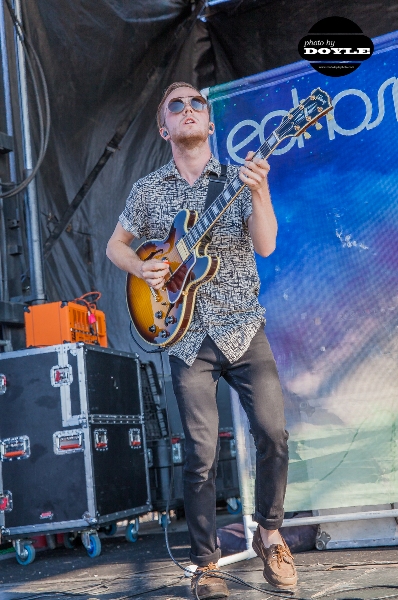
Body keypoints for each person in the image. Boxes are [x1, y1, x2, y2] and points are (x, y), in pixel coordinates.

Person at [106, 81, 297, 598]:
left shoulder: (235, 179)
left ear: (210, 124)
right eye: (177, 105)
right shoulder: (149, 191)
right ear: (164, 127)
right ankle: (206, 563)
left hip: (241, 324)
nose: (189, 109)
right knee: (200, 452)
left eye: (197, 104)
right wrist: (144, 267)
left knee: (274, 434)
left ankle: (271, 534)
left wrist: (260, 192)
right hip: (184, 333)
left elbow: (266, 243)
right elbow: (114, 246)